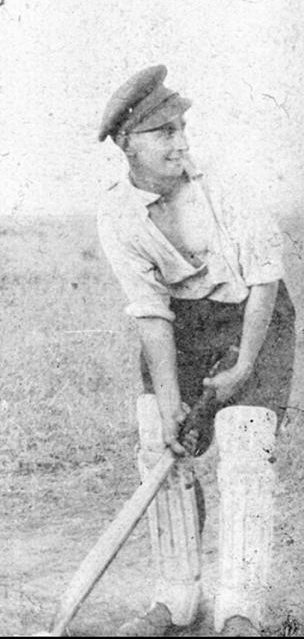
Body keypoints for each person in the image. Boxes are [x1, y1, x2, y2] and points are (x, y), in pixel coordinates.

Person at [96, 65, 295, 637]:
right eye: (163, 132)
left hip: (255, 316)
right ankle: (177, 599)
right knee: (155, 438)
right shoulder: (116, 211)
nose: (180, 141)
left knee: (244, 441)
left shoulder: (224, 183)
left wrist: (245, 366)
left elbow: (263, 280)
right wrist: (167, 403)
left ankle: (240, 609)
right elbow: (153, 315)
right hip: (183, 327)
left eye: (183, 127)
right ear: (125, 143)